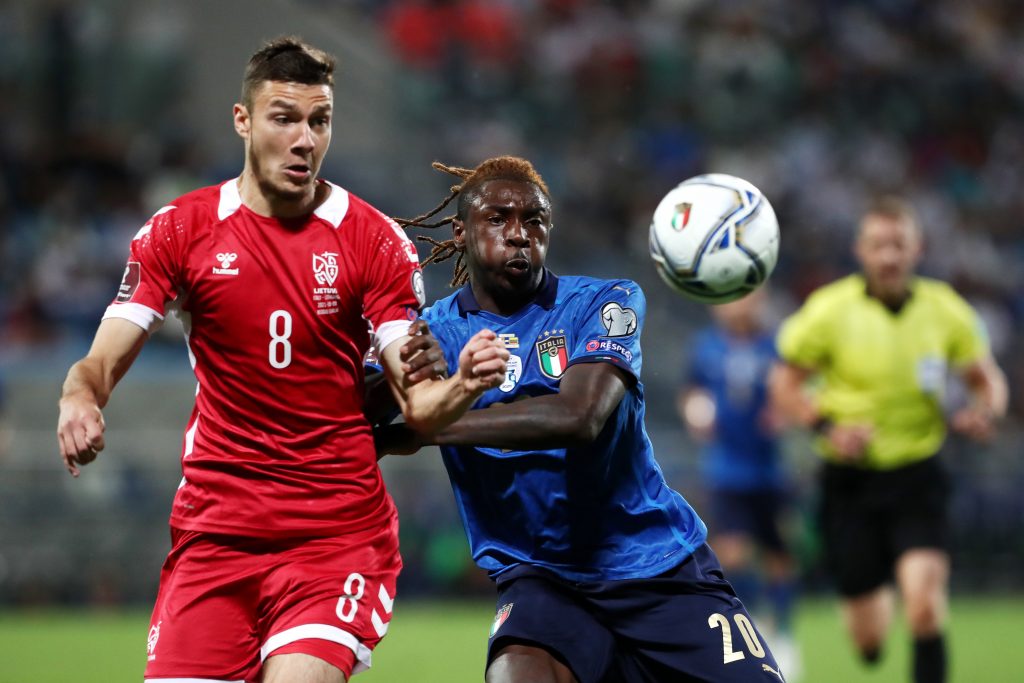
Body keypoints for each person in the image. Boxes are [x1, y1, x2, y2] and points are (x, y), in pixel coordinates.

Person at [56, 37, 508, 683]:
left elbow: (422, 406)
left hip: (334, 536)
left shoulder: (376, 242)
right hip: (214, 534)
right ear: (243, 120)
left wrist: (462, 381)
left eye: (319, 120)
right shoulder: (179, 230)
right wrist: (79, 398)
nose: (304, 139)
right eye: (284, 118)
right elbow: (97, 364)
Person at [380, 155, 786, 682]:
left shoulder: (604, 301)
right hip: (542, 581)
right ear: (459, 232)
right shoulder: (430, 334)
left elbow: (580, 416)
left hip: (656, 567)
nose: (519, 233)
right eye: (498, 218)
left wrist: (430, 422)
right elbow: (351, 411)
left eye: (534, 221)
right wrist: (391, 401)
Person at [768, 196, 1008, 683]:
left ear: (917, 249)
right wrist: (827, 428)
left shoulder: (946, 311)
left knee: (924, 608)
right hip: (850, 482)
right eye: (879, 244)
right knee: (869, 642)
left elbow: (988, 379)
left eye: (899, 244)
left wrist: (986, 412)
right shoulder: (828, 311)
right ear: (861, 250)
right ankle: (867, 616)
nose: (889, 256)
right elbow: (784, 384)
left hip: (918, 475)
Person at [678, 287, 800, 676]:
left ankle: (783, 634)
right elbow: (691, 391)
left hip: (768, 470)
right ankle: (752, 631)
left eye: (746, 297)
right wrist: (695, 413)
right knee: (731, 553)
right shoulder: (706, 347)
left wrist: (784, 413)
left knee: (778, 556)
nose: (737, 305)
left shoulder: (774, 346)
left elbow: (794, 389)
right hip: (726, 469)